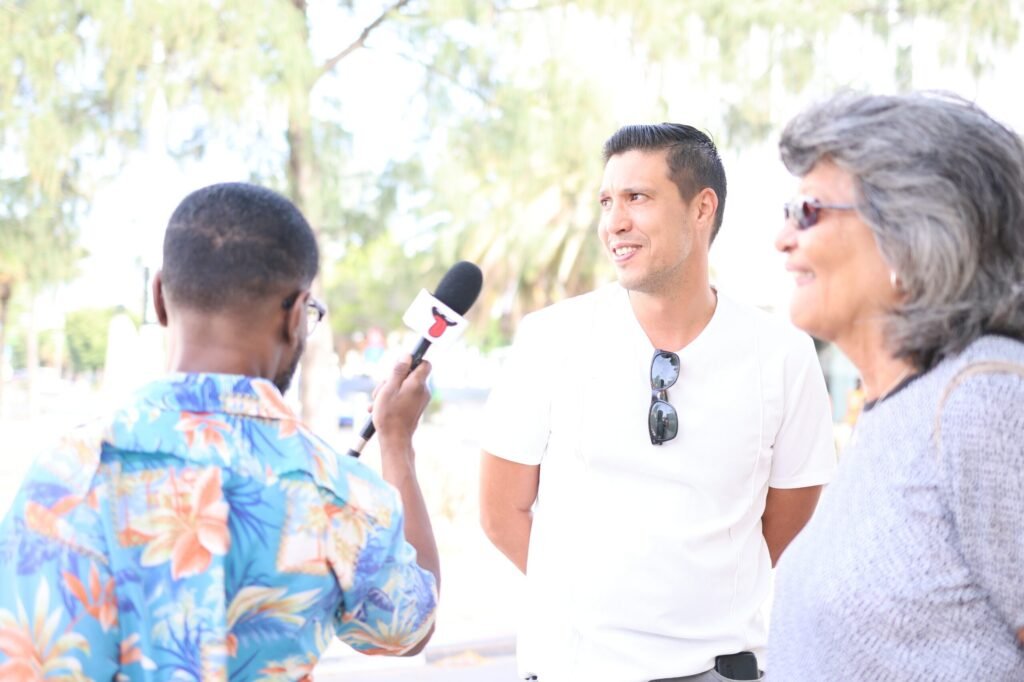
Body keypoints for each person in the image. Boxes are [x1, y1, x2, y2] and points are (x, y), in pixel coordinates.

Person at [0, 183, 440, 679]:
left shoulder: (62, 478)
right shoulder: (341, 495)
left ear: (160, 298)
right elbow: (411, 628)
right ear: (297, 315)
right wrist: (397, 444)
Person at [479, 124, 836, 681]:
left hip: (722, 670)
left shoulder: (784, 356)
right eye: (606, 202)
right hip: (574, 669)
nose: (614, 222)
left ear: (702, 208)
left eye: (637, 198)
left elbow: (784, 526)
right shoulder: (551, 338)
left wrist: (692, 605)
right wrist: (596, 611)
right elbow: (501, 513)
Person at [768, 91, 1024, 679]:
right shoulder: (893, 413)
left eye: (808, 210)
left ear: (911, 230)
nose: (783, 239)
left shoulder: (984, 398)